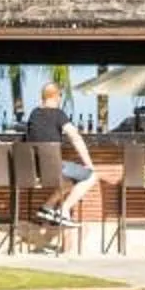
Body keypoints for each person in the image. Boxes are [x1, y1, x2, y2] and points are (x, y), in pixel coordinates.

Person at [21, 81, 98, 226]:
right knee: (91, 176)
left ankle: (47, 207)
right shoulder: (58, 114)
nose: (60, 99)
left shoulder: (34, 114)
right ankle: (64, 210)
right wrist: (89, 164)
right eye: (60, 95)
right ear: (56, 96)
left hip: (36, 169)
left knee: (69, 181)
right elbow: (75, 137)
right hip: (54, 168)